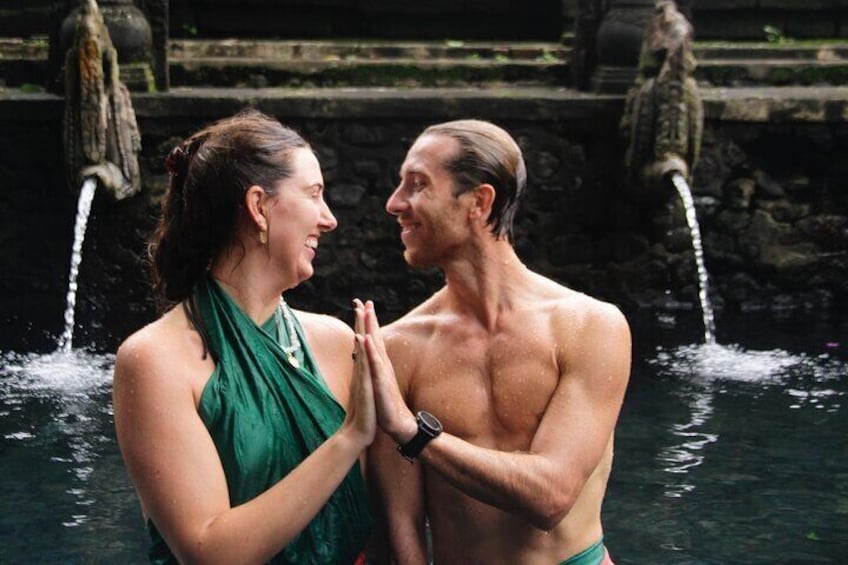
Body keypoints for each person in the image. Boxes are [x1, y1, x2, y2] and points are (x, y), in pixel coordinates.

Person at [359, 119, 631, 564]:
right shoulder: (399, 348)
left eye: (417, 185)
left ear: (480, 201)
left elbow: (551, 496)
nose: (394, 204)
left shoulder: (590, 326)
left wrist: (414, 432)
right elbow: (399, 531)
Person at [112, 108, 376, 564]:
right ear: (259, 207)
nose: (329, 219)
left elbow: (377, 522)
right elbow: (209, 550)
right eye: (314, 195)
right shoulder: (154, 360)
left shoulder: (335, 342)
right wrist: (350, 437)